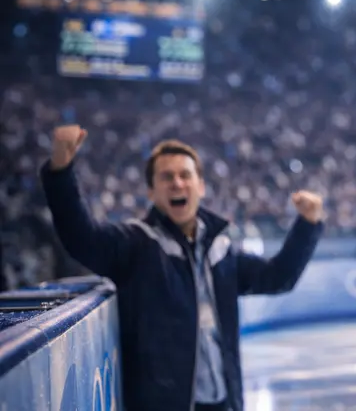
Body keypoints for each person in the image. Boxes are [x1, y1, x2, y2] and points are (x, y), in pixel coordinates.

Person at [39, 125, 324, 411]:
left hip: (225, 403)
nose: (177, 183)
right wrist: (61, 173)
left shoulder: (220, 250)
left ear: (200, 186)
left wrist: (307, 226)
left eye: (185, 175)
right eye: (166, 177)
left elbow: (278, 278)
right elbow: (82, 239)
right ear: (151, 192)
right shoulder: (137, 245)